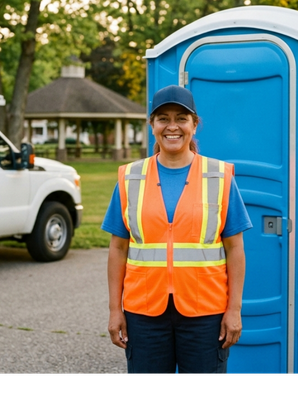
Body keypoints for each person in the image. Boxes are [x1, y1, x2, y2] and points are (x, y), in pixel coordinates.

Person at [101, 85, 252, 375]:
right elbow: (118, 248)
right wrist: (114, 309)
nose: (172, 126)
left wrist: (234, 310)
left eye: (181, 118)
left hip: (206, 312)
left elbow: (235, 248)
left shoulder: (220, 176)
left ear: (195, 125)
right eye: (163, 118)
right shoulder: (130, 177)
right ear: (152, 125)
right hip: (144, 312)